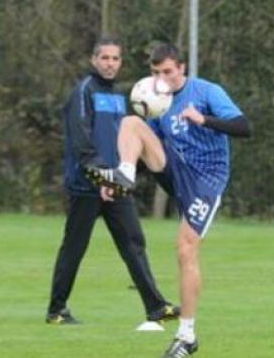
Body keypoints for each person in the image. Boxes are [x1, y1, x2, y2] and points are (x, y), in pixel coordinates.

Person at [86, 43, 251, 357]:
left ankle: (186, 336)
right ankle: (122, 177)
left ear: (181, 69)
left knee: (185, 249)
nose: (161, 79)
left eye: (167, 72)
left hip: (205, 179)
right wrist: (117, 173)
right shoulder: (157, 100)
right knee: (131, 123)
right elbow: (144, 144)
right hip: (174, 169)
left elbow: (244, 127)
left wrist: (204, 119)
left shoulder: (207, 92)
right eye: (155, 73)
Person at [45, 37, 179, 326]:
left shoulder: (120, 97)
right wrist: (103, 175)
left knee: (134, 243)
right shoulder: (83, 92)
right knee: (75, 247)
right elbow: (82, 143)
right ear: (94, 60)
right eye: (104, 58)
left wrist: (121, 175)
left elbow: (126, 141)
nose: (110, 63)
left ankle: (155, 307)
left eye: (115, 59)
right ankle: (56, 310)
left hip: (116, 184)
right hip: (87, 185)